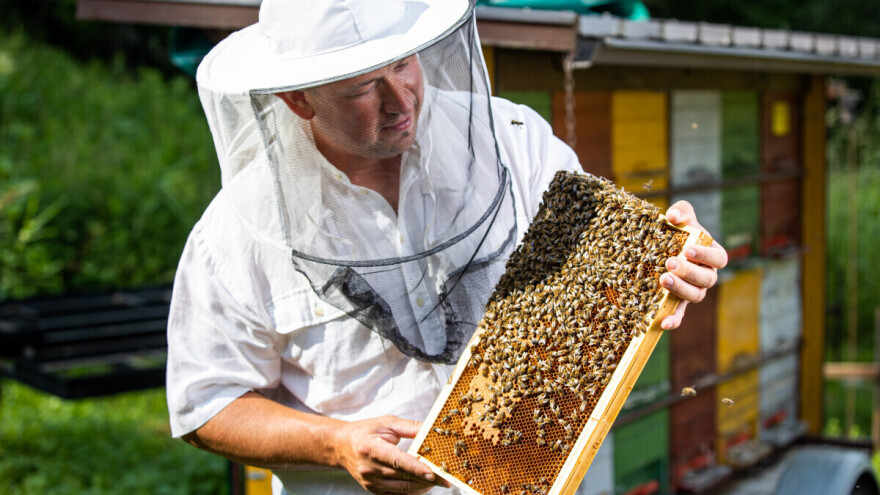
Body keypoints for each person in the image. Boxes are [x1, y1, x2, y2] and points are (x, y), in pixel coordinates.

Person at [165, 0, 728, 494]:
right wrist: (334, 443)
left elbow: (604, 275)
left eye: (404, 63)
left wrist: (668, 265)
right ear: (298, 100)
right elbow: (206, 404)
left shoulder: (514, 140)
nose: (398, 98)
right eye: (363, 87)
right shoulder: (237, 232)